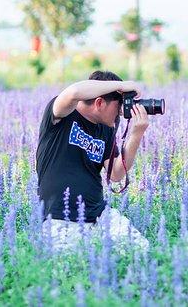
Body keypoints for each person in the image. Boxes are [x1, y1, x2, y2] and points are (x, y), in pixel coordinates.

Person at [36, 70, 150, 250]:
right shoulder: (63, 114)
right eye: (118, 105)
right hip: (59, 218)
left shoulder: (105, 129)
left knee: (139, 250)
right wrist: (121, 86)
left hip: (99, 214)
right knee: (70, 272)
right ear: (99, 103)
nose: (121, 112)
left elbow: (116, 174)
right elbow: (73, 92)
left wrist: (136, 134)